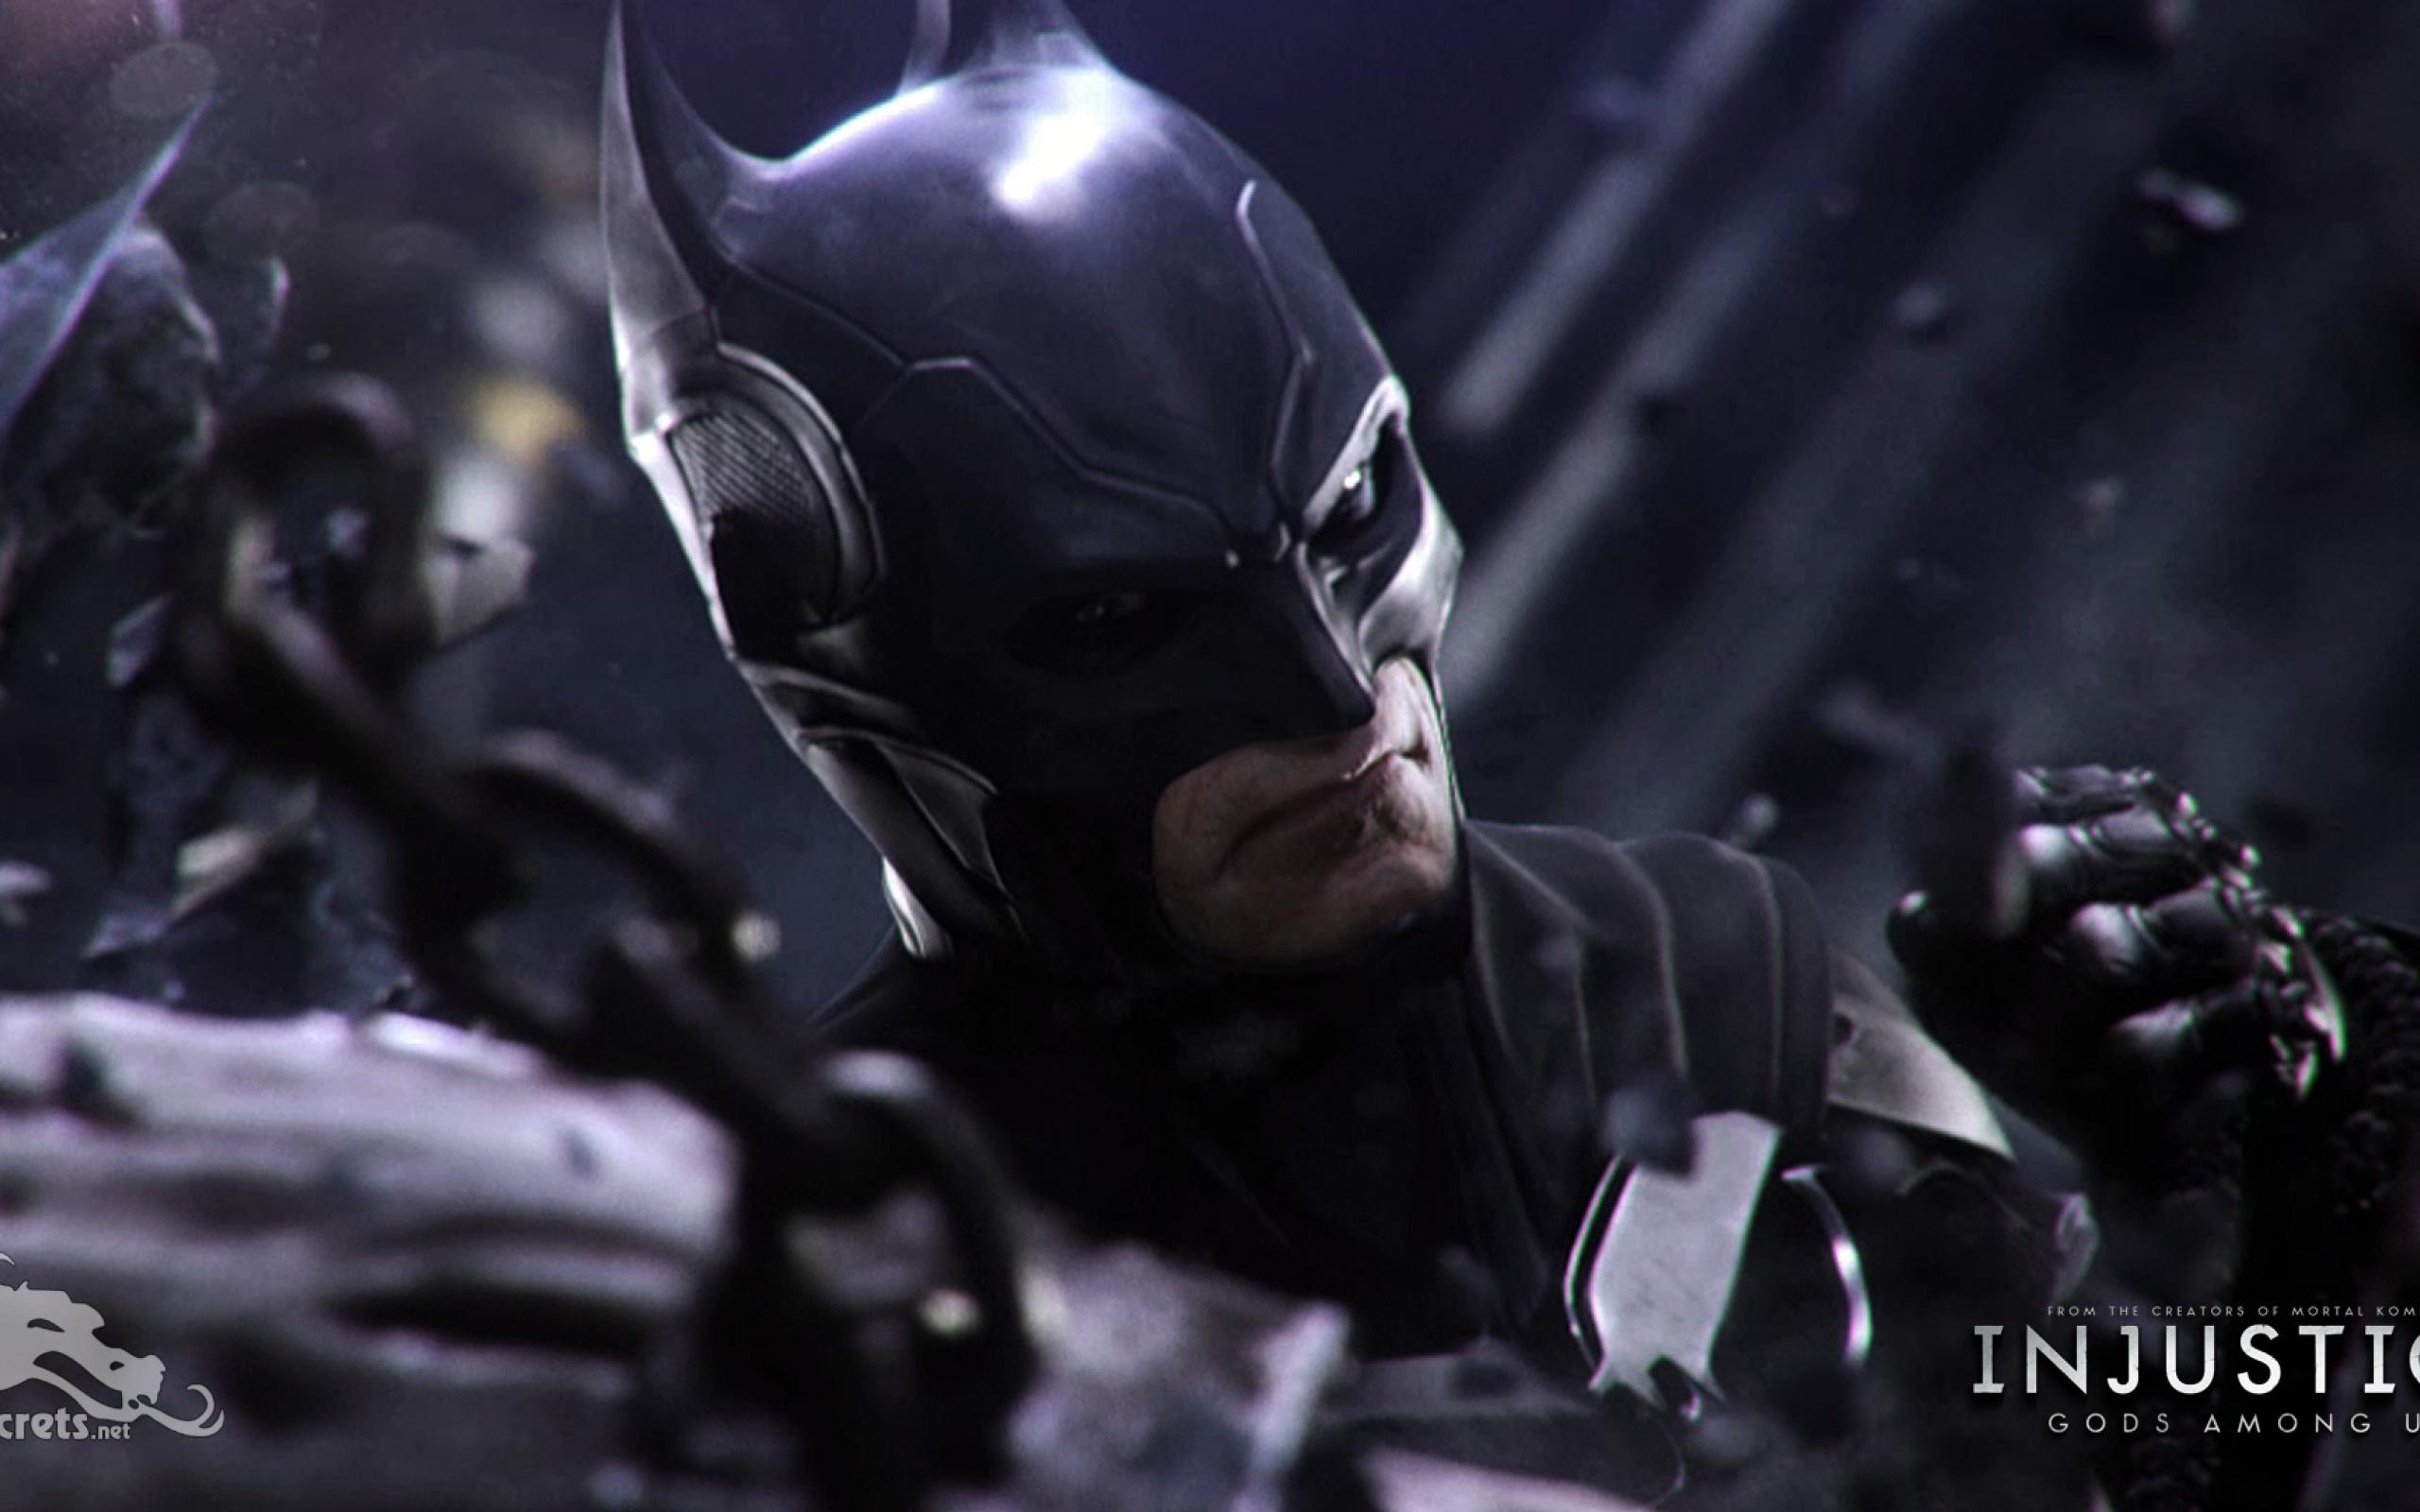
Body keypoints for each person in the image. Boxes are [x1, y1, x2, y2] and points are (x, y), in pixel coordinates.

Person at [600, 2, 2412, 1502]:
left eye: (1351, 513)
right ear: (862, 700)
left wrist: (2250, 1185)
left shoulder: (1708, 985)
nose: (1334, 690)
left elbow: (2154, 1460)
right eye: (1118, 620)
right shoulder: (822, 1260)